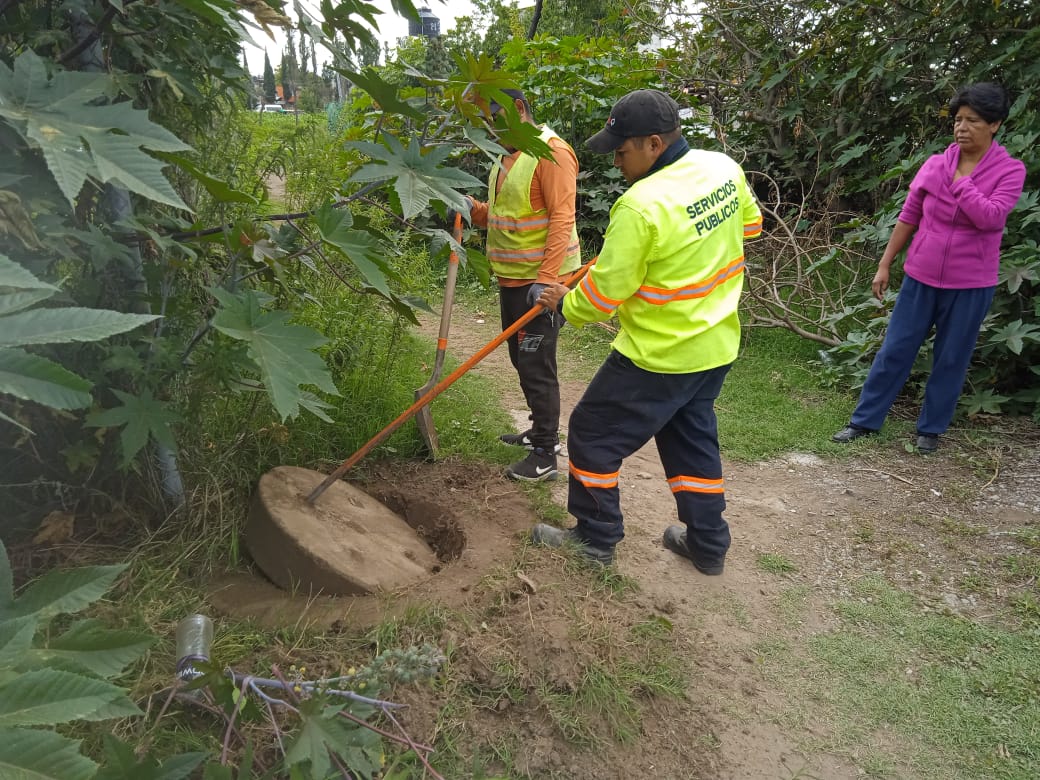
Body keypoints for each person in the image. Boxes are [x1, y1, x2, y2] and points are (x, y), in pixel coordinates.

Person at [528, 89, 763, 571]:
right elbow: (750, 228)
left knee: (592, 434)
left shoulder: (639, 206)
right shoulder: (722, 168)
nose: (616, 162)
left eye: (621, 150)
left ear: (654, 143)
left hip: (658, 355)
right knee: (689, 439)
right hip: (715, 345)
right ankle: (708, 544)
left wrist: (562, 303)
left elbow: (599, 300)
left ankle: (595, 539)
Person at [832, 82, 1026, 454]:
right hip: (921, 276)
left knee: (952, 357)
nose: (961, 127)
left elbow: (990, 217)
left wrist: (961, 184)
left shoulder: (1009, 171)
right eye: (957, 119)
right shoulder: (935, 164)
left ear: (996, 124)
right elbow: (909, 215)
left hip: (971, 284)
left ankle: (931, 430)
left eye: (972, 120)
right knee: (895, 349)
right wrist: (885, 264)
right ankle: (864, 421)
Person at [465, 89, 582, 482]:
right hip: (512, 280)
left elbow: (562, 218)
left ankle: (546, 452)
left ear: (518, 109)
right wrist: (472, 210)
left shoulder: (553, 152)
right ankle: (538, 432)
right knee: (521, 359)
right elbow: (504, 216)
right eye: (481, 121)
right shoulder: (505, 156)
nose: (488, 128)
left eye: (492, 118)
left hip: (542, 284)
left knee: (536, 363)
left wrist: (547, 281)